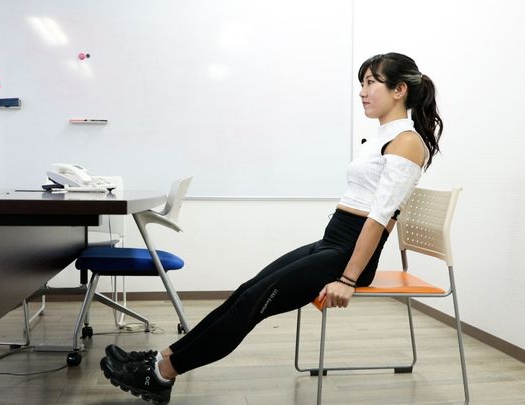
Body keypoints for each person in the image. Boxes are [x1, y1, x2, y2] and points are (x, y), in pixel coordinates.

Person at [99, 52, 443, 405]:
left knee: (252, 305)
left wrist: (348, 279)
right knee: (246, 292)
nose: (362, 91)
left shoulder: (406, 142)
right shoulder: (385, 136)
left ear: (399, 90)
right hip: (334, 243)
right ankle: (163, 358)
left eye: (371, 83)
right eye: (362, 83)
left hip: (349, 256)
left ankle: (160, 375)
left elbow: (380, 218)